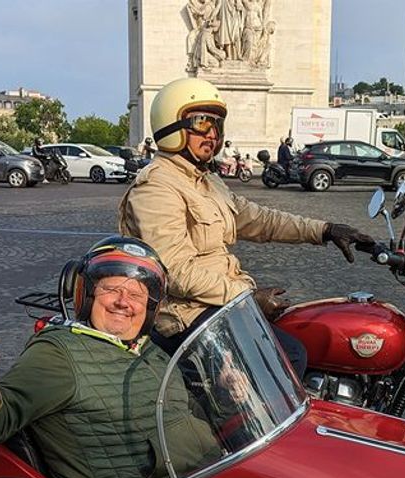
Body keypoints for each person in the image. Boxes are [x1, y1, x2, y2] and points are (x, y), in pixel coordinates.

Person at [117, 77, 375, 375]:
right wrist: (246, 298)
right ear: (172, 125)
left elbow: (259, 219)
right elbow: (175, 271)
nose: (212, 134)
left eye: (217, 125)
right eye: (202, 123)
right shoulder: (157, 187)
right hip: (184, 316)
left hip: (218, 304)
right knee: (289, 358)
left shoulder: (206, 180)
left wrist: (324, 229)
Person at [0, 237, 218, 478]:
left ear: (149, 309)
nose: (123, 302)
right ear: (86, 296)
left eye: (136, 295)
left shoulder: (148, 347)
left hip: (202, 477)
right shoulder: (59, 353)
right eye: (111, 289)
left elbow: (183, 411)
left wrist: (230, 397)